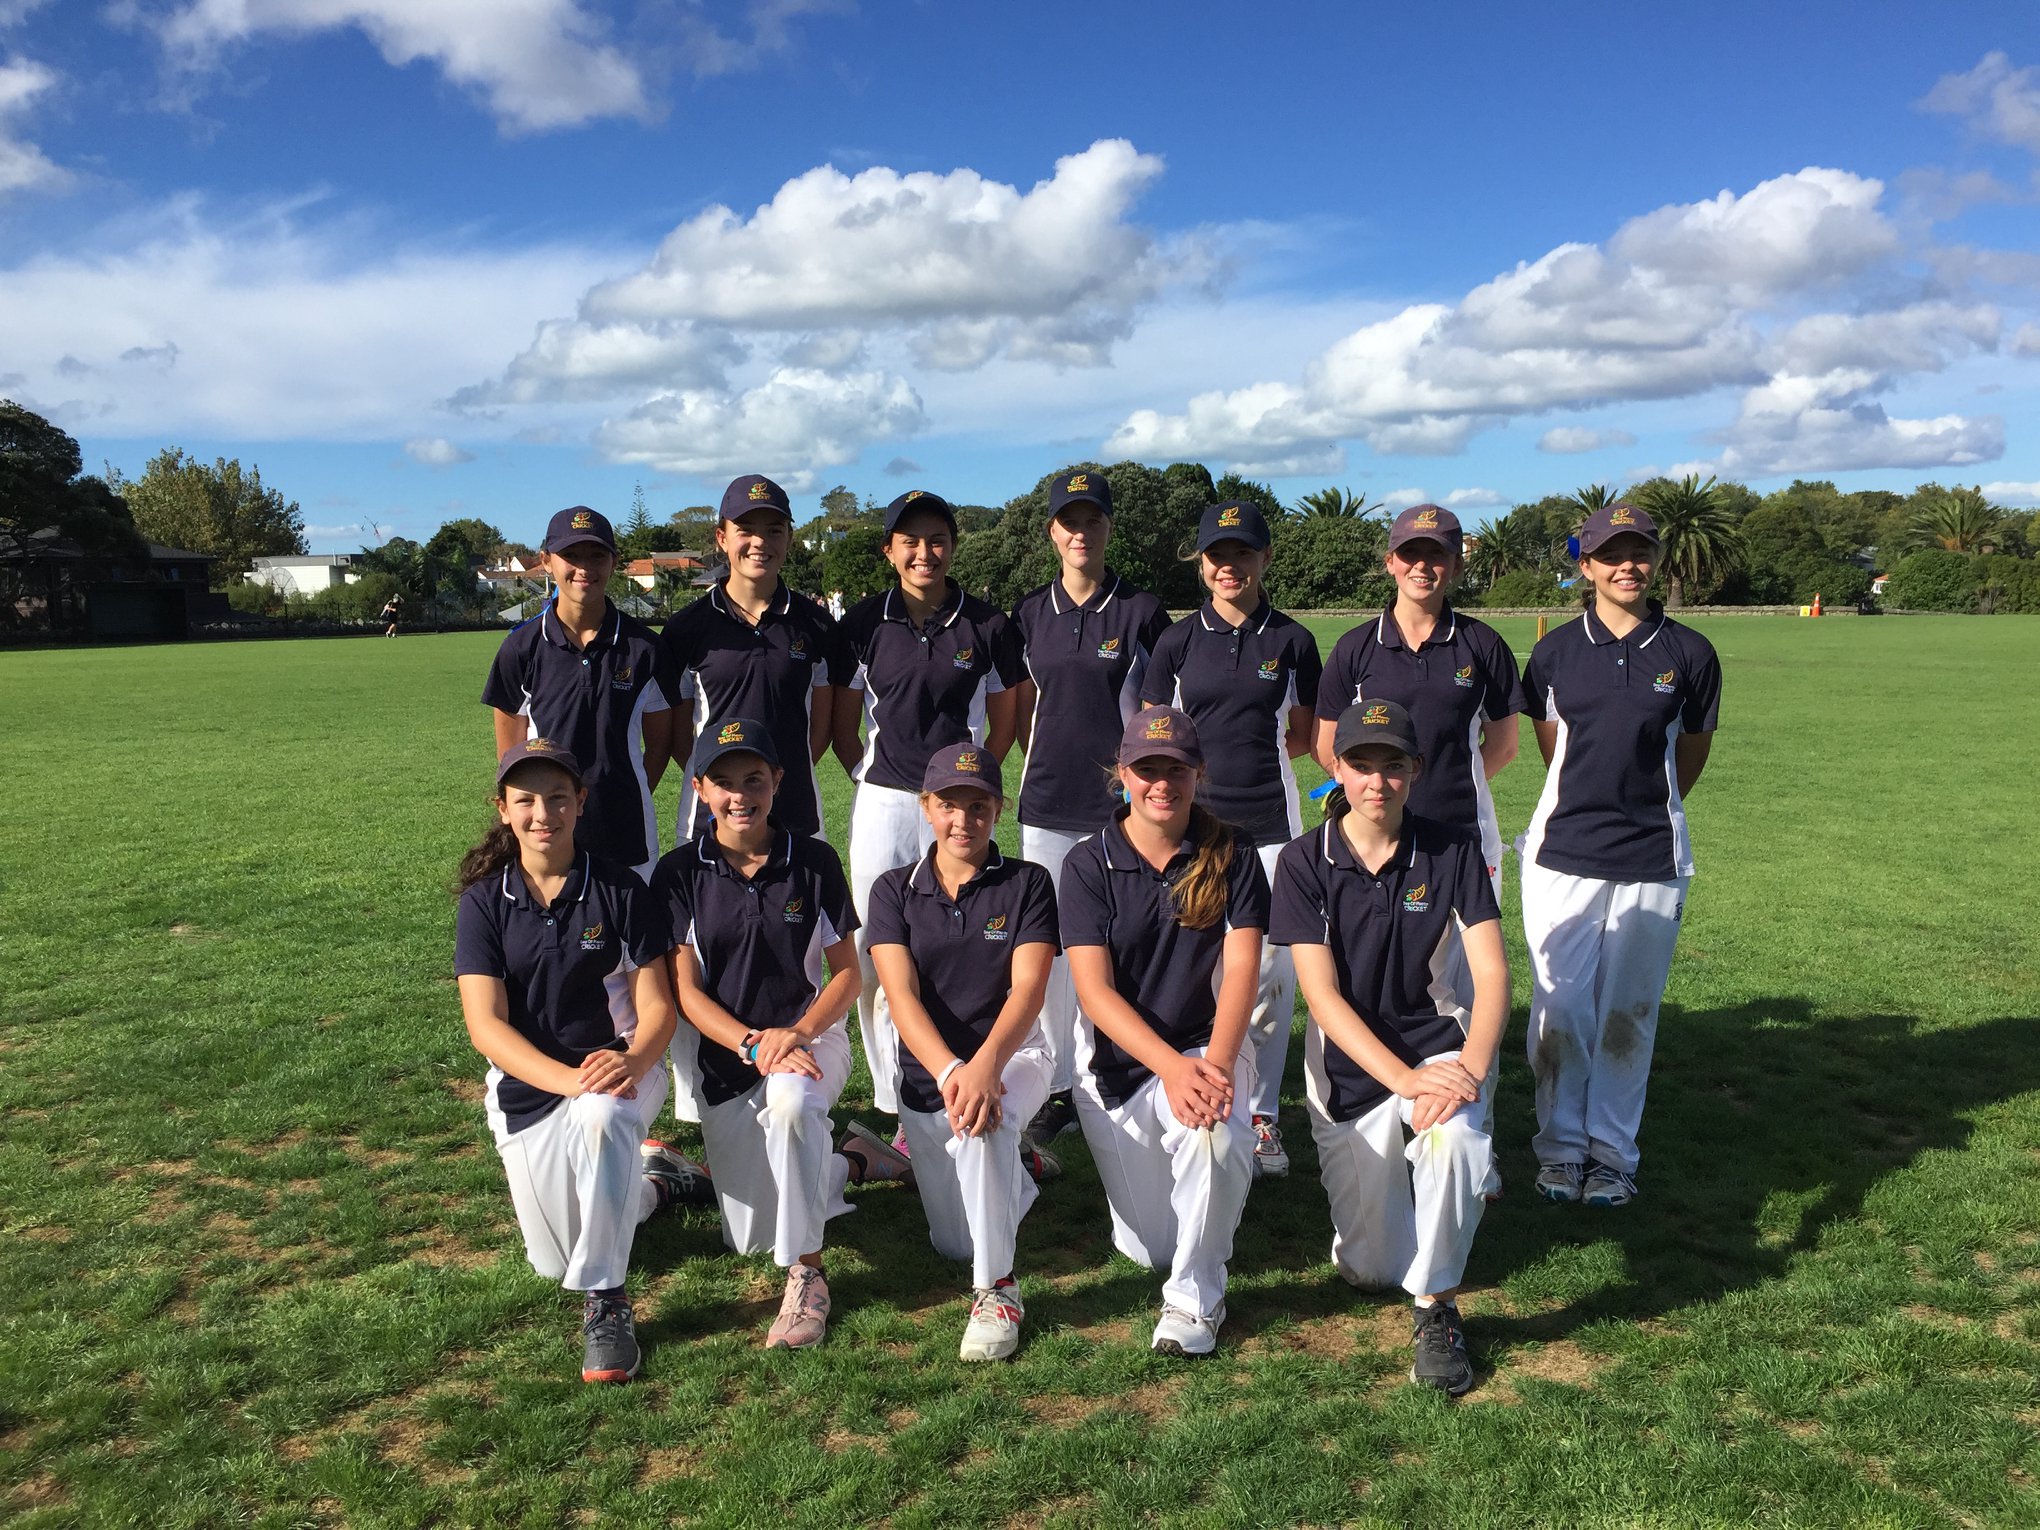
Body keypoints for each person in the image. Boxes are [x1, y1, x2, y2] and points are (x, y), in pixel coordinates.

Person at [1271, 699, 1509, 1396]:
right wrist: (1406, 1081)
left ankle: (1436, 1307)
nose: (1378, 782)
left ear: (1416, 771)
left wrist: (1467, 1071)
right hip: (1351, 1070)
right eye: (1362, 765)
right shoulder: (1302, 860)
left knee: (1459, 1141)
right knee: (1371, 1271)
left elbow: (1492, 973)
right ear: (1336, 769)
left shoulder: (1453, 849)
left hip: (1436, 1051)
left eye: (1393, 766)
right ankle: (1432, 1211)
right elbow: (1322, 998)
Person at [651, 718, 907, 1349]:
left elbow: (848, 974)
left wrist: (795, 1034)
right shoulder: (678, 870)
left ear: (778, 782)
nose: (741, 795)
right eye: (725, 782)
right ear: (702, 790)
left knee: (791, 1110)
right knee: (750, 1234)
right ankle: (853, 1162)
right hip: (730, 1055)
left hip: (810, 1039)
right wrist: (749, 1043)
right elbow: (684, 992)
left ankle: (806, 1277)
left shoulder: (812, 859)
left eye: (755, 780)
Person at [453, 738, 696, 1385]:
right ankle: (657, 1184)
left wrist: (634, 1062)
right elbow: (485, 1026)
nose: (543, 813)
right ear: (503, 809)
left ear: (580, 802)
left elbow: (657, 1009)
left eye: (558, 797)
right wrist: (566, 1080)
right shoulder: (484, 901)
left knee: (605, 1118)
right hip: (531, 1089)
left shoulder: (618, 889)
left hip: (616, 1071)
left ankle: (608, 1300)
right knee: (552, 1262)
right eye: (526, 799)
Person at [1312, 503, 1524, 1191]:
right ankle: (1387, 1108)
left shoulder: (1482, 644)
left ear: (1456, 564)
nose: (1423, 566)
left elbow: (1504, 742)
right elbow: (1324, 745)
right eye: (1411, 553)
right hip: (1371, 841)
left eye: (1438, 555)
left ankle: (1468, 1133)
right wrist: (1384, 800)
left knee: (1464, 995)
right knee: (1378, 982)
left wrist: (1434, 797)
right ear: (1391, 562)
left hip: (1460, 838)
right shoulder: (1356, 648)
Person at [1518, 502, 1721, 1208]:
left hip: (1652, 854)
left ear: (1655, 561)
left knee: (1628, 1013)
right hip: (1561, 851)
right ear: (1587, 566)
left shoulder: (1690, 653)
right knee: (1561, 1009)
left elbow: (1688, 756)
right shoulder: (1553, 654)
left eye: (1639, 552)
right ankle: (1559, 1150)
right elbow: (1554, 752)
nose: (1627, 565)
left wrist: (1642, 805)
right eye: (1612, 554)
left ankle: (1611, 1155)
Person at [1060, 708, 1268, 1356]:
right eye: (1146, 769)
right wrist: (1169, 1069)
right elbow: (1093, 992)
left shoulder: (1232, 851)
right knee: (1152, 1248)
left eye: (1175, 768)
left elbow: (1242, 969)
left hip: (1206, 1047)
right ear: (1122, 775)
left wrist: (1215, 1066)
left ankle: (1194, 1305)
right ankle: (1203, 1219)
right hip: (1117, 1070)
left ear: (1197, 773)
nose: (1161, 783)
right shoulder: (1087, 863)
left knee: (1212, 1135)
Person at [1140, 501, 1322, 1179]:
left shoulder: (1294, 641)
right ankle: (1182, 1092)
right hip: (1190, 830)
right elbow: (1160, 737)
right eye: (1217, 555)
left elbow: (1303, 735)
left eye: (1243, 554)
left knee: (1272, 978)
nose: (1229, 567)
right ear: (1202, 564)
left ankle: (1262, 1112)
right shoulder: (1178, 643)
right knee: (1195, 965)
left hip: (1271, 830)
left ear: (1264, 560)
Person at [866, 743, 1060, 1361]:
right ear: (927, 807)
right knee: (955, 1240)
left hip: (1015, 1058)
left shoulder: (1028, 882)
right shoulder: (893, 890)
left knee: (984, 1123)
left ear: (997, 809)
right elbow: (899, 995)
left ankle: (997, 1291)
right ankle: (1018, 1174)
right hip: (931, 1078)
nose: (963, 821)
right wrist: (954, 1070)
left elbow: (1029, 989)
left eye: (978, 806)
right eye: (949, 805)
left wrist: (984, 1068)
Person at [836, 490, 1023, 1118]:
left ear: (952, 545)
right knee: (876, 955)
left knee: (959, 947)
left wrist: (975, 786)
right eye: (910, 541)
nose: (925, 553)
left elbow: (1004, 719)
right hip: (886, 800)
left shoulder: (988, 625)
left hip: (960, 806)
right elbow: (840, 726)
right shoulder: (863, 623)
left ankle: (962, 1074)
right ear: (889, 550)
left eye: (936, 539)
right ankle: (897, 1105)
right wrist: (872, 777)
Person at [1009, 469, 1171, 1151]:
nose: (1081, 532)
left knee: (1118, 946)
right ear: (1052, 531)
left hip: (1119, 810)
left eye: (1093, 520)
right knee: (1046, 955)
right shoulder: (1027, 613)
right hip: (1045, 804)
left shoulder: (1141, 611)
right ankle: (1056, 1085)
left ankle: (1115, 1068)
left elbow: (1159, 714)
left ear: (1109, 528)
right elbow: (1018, 713)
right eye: (1068, 521)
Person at [482, 506, 677, 881]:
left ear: (614, 562)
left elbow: (660, 746)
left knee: (632, 939)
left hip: (627, 832)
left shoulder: (646, 649)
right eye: (571, 555)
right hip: (548, 835)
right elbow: (509, 757)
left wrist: (620, 791)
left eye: (597, 555)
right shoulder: (520, 649)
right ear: (546, 561)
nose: (584, 567)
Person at [660, 474, 843, 846]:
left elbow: (820, 730)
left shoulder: (817, 624)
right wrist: (722, 784)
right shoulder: (686, 628)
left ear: (789, 538)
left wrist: (776, 775)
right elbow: (679, 736)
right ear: (722, 537)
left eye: (774, 530)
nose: (760, 541)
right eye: (745, 529)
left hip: (795, 805)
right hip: (709, 815)